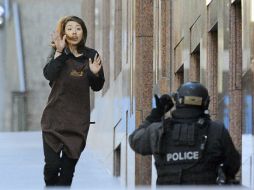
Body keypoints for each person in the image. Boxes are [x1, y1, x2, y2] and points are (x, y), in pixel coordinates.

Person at [129, 81, 240, 185]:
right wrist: (222, 175)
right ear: (206, 103)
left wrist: (157, 113)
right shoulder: (216, 130)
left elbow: (135, 140)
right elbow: (233, 163)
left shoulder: (158, 130)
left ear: (177, 101)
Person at [41, 16, 104, 186]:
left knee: (67, 174)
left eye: (78, 28)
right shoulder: (57, 52)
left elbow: (97, 86)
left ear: (83, 32)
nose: (74, 32)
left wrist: (94, 73)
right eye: (69, 28)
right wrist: (60, 52)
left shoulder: (91, 55)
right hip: (53, 120)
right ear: (64, 32)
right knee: (52, 167)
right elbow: (49, 75)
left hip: (77, 123)